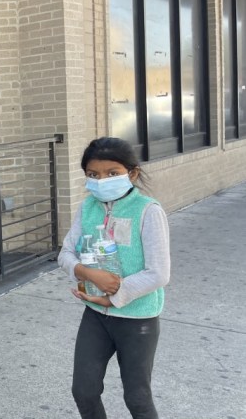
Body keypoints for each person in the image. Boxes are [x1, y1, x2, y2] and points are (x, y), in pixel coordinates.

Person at [57, 137, 171, 419]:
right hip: (95, 315)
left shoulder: (148, 210)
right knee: (83, 390)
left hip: (137, 319)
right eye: (93, 175)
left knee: (137, 398)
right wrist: (85, 272)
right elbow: (66, 253)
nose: (101, 181)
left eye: (112, 173)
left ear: (131, 173)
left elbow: (159, 273)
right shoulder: (87, 208)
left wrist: (115, 293)